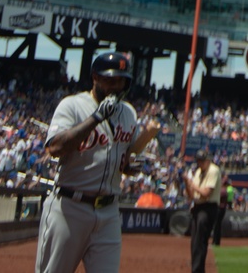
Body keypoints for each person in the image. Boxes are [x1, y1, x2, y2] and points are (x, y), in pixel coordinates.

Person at [35, 51, 160, 273]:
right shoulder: (72, 106)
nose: (115, 86)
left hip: (108, 212)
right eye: (110, 80)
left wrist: (128, 167)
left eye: (120, 81)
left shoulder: (128, 113)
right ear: (95, 77)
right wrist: (95, 118)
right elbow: (54, 148)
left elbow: (123, 158)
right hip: (69, 208)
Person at [185, 148, 222, 273]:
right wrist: (186, 183)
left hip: (208, 208)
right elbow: (191, 196)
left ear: (207, 160)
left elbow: (206, 193)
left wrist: (192, 185)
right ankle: (196, 269)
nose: (199, 163)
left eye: (201, 161)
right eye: (198, 161)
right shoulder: (199, 172)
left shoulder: (213, 170)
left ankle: (197, 270)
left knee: (200, 241)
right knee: (195, 241)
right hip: (198, 207)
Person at [212, 175, 233, 246]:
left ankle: (215, 241)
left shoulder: (223, 191)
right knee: (218, 225)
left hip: (219, 208)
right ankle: (216, 241)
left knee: (216, 225)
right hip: (222, 209)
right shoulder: (225, 190)